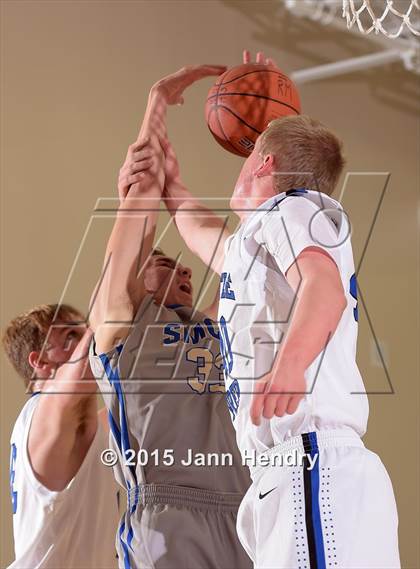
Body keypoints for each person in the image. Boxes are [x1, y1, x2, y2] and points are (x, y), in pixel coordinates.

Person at [159, 51, 401, 568]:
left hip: (311, 461)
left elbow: (324, 286)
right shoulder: (260, 242)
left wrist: (290, 364)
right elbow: (205, 237)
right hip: (292, 470)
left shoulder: (291, 207)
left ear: (265, 163)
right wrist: (170, 182)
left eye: (251, 154)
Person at [88, 65, 251, 569]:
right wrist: (155, 104)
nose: (183, 270)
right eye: (163, 262)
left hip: (248, 512)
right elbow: (138, 206)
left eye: (185, 267)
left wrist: (262, 134)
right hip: (169, 519)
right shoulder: (121, 326)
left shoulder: (213, 327)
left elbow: (247, 256)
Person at [3, 303, 120, 568]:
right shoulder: (44, 410)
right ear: (41, 362)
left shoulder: (87, 430)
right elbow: (106, 324)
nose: (83, 341)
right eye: (70, 336)